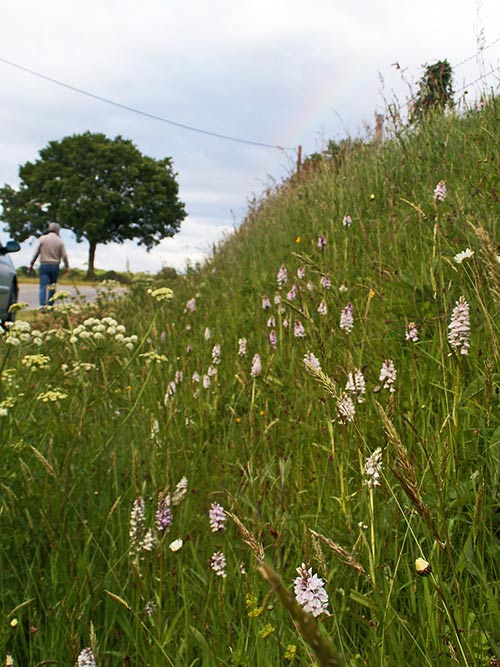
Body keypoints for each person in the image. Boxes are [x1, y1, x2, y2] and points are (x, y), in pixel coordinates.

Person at [29, 222, 70, 307]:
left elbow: (36, 253)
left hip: (44, 264)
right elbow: (64, 255)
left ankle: (42, 305)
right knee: (52, 286)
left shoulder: (42, 239)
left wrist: (32, 263)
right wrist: (67, 266)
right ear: (57, 231)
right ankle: (50, 304)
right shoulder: (59, 241)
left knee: (43, 286)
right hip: (55, 265)